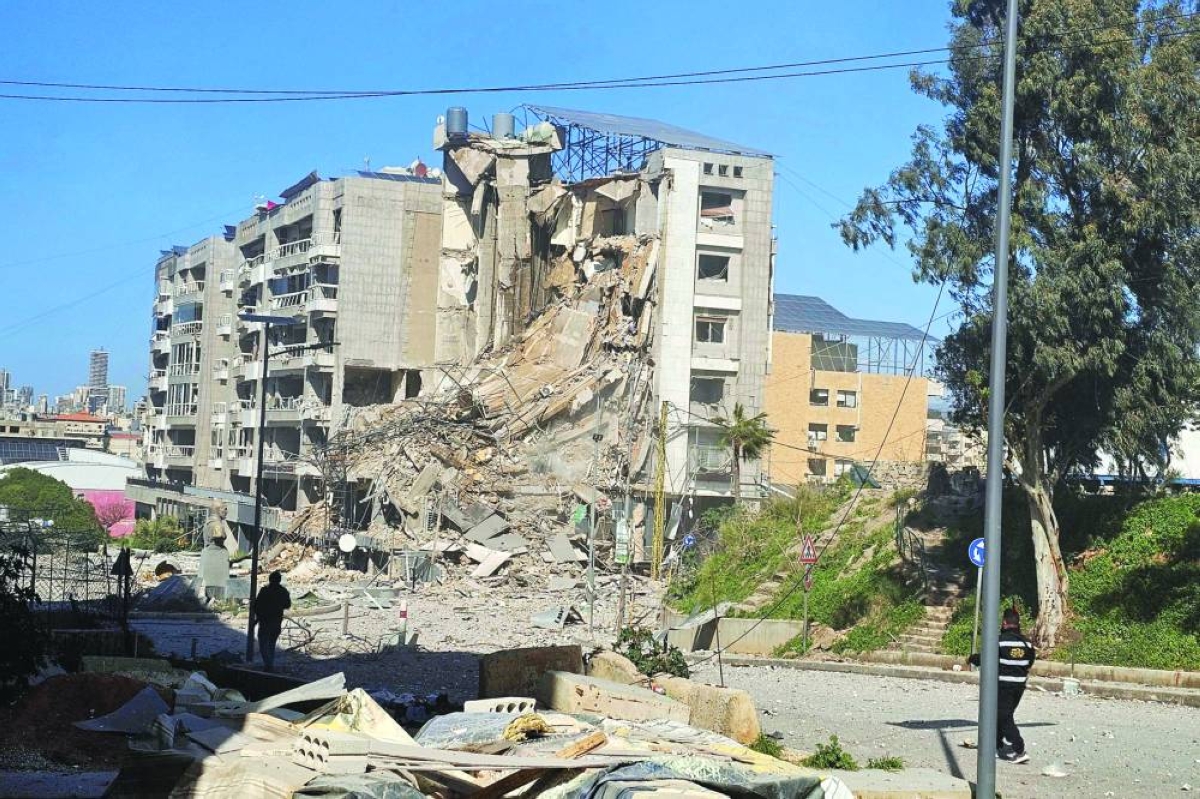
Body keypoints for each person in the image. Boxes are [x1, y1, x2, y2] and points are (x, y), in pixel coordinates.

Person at [969, 607, 1035, 763]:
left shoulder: (999, 641)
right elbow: (1030, 663)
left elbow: (985, 659)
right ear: (1018, 624)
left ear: (1004, 623)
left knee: (1003, 716)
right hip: (1019, 686)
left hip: (1003, 685)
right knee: (1003, 714)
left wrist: (972, 658)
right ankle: (996, 745)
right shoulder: (1028, 644)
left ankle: (1019, 749)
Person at [254, 571, 291, 672]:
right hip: (276, 621)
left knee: (263, 644)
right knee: (271, 644)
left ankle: (268, 664)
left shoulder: (265, 591)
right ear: (279, 580)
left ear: (270, 579)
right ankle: (270, 663)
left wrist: (256, 619)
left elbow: (257, 606)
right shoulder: (283, 591)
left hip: (265, 622)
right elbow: (287, 605)